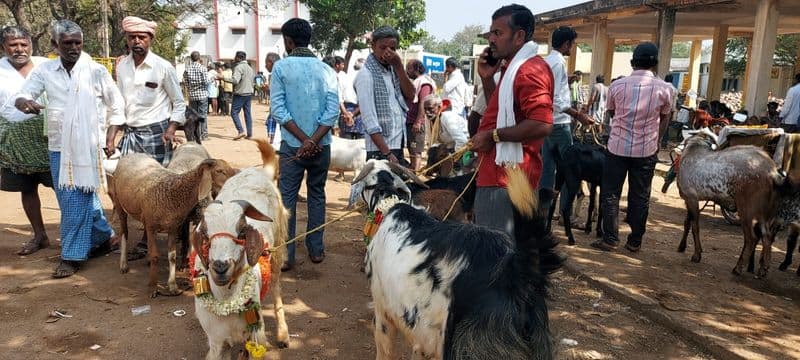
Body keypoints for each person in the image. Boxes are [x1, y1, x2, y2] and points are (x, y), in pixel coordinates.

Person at [13, 20, 125, 278]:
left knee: (74, 200)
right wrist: (24, 102)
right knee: (76, 198)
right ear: (55, 45)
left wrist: (110, 140)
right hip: (58, 147)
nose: (74, 48)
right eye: (67, 43)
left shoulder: (96, 71)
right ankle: (105, 238)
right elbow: (24, 94)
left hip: (89, 146)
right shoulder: (45, 71)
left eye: (78, 43)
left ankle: (71, 255)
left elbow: (117, 106)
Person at [470, 4, 554, 236]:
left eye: (498, 33)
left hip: (505, 179)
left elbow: (542, 123)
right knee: (513, 252)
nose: (492, 39)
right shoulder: (513, 69)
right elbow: (499, 114)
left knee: (494, 252)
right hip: (507, 174)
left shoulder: (528, 70)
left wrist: (493, 136)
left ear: (518, 36)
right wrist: (487, 79)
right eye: (491, 33)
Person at [590, 42, 673, 253]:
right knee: (641, 196)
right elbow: (665, 118)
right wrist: (656, 139)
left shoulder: (617, 86)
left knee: (610, 193)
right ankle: (634, 241)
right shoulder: (665, 89)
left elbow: (611, 113)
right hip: (646, 150)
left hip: (617, 148)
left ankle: (610, 239)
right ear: (655, 64)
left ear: (632, 63)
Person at [270, 18, 339, 270]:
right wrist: (314, 140)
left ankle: (287, 255)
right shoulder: (327, 70)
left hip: (292, 145)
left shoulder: (280, 68)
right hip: (322, 146)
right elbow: (332, 113)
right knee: (317, 194)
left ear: (288, 41)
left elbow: (278, 109)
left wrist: (303, 140)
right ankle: (316, 249)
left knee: (287, 198)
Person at [0, 26, 53, 256]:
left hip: (50, 138)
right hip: (15, 143)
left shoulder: (46, 65)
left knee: (64, 187)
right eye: (13, 45)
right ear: (3, 47)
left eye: (24, 44)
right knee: (27, 188)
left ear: (31, 45)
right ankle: (39, 235)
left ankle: (76, 236)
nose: (19, 49)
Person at [108, 16, 186, 166]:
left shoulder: (163, 67)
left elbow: (179, 103)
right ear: (127, 39)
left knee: (157, 183)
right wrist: (111, 138)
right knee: (129, 183)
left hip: (158, 135)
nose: (136, 41)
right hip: (130, 134)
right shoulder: (122, 66)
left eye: (142, 37)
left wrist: (170, 130)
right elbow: (119, 104)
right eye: (132, 37)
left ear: (150, 39)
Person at [540, 26, 594, 226]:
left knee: (547, 169)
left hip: (546, 123)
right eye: (573, 43)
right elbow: (556, 100)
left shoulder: (548, 61)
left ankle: (543, 213)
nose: (573, 47)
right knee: (568, 170)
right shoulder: (558, 63)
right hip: (560, 124)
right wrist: (579, 115)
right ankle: (565, 215)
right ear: (566, 44)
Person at [354, 26, 414, 163]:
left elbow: (410, 95)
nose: (388, 52)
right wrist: (387, 153)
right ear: (373, 45)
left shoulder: (393, 71)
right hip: (381, 150)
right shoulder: (366, 75)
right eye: (383, 47)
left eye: (392, 49)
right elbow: (369, 119)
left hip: (396, 144)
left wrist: (399, 66)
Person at [404, 59, 436, 170]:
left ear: (417, 69)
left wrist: (418, 122)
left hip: (416, 123)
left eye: (409, 68)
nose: (407, 71)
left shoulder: (424, 83)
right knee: (412, 150)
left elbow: (423, 101)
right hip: (411, 121)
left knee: (416, 152)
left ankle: (415, 176)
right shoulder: (417, 81)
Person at [225, 51, 255, 139]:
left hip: (240, 94)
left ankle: (241, 131)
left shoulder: (238, 67)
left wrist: (223, 78)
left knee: (234, 112)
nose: (234, 59)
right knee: (247, 114)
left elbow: (235, 81)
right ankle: (249, 134)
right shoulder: (250, 68)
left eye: (235, 57)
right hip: (249, 93)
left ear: (239, 58)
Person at [335, 55, 363, 140]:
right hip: (359, 113)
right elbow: (365, 101)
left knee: (345, 146)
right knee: (362, 146)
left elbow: (339, 99)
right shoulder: (364, 77)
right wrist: (352, 114)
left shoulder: (342, 76)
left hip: (347, 113)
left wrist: (347, 113)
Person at [183, 51, 209, 140]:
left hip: (192, 95)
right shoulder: (203, 68)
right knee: (203, 115)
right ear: (199, 58)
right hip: (202, 94)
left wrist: (191, 88)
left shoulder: (187, 69)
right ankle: (203, 134)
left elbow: (186, 82)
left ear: (191, 58)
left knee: (193, 116)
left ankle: (194, 134)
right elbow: (206, 82)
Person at [264, 52, 282, 145]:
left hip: (278, 111)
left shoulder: (278, 74)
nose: (265, 65)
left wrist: (268, 90)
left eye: (266, 62)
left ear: (271, 62)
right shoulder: (276, 73)